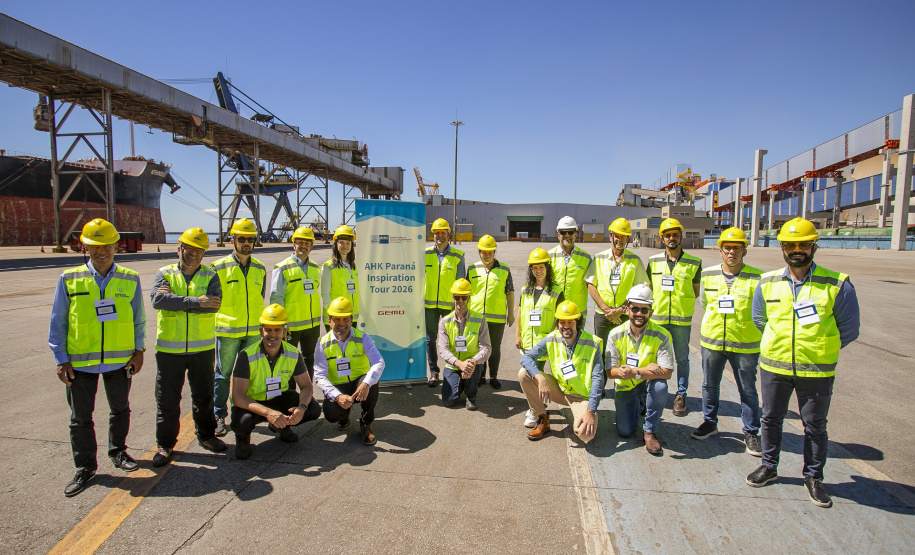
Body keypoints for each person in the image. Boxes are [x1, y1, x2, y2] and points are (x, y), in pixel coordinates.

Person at [746, 218, 860, 509]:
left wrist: (817, 349)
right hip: (775, 367)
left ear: (814, 245)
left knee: (815, 426)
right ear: (782, 248)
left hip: (817, 370)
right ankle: (770, 467)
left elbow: (849, 329)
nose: (797, 250)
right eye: (790, 245)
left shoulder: (837, 284)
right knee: (771, 419)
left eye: (803, 244)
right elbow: (760, 319)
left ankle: (813, 477)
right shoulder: (767, 282)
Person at [49, 219, 146, 497]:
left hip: (120, 360)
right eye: (94, 246)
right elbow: (58, 322)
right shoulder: (69, 279)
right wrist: (60, 358)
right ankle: (85, 467)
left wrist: (139, 351)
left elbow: (139, 319)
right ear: (84, 247)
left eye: (106, 245)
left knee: (120, 410)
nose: (101, 251)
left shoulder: (129, 278)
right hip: (80, 363)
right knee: (80, 418)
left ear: (117, 245)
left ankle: (118, 452)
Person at [150, 227, 226, 467]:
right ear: (179, 248)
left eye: (199, 250)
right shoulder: (164, 273)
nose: (193, 254)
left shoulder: (210, 276)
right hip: (169, 350)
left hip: (202, 349)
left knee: (203, 396)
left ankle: (207, 435)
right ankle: (165, 444)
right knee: (167, 400)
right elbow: (158, 300)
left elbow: (214, 305)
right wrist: (196, 302)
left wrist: (177, 302)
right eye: (189, 249)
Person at [692, 228, 762, 456]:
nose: (732, 252)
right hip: (712, 342)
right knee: (710, 385)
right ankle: (710, 422)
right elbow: (704, 302)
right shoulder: (708, 275)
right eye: (728, 248)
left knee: (748, 389)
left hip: (745, 344)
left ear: (744, 251)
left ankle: (751, 431)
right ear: (720, 251)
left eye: (737, 248)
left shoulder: (757, 278)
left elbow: (761, 313)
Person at [230, 304, 321, 460]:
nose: (272, 334)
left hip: (278, 398)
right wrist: (268, 413)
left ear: (284, 331)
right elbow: (238, 397)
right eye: (268, 330)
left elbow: (306, 386)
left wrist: (301, 408)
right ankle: (243, 440)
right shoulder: (247, 355)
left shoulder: (293, 353)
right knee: (242, 420)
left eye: (277, 330)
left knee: (313, 408)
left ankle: (280, 425)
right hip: (253, 403)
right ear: (261, 331)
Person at [211, 218, 266, 437]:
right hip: (227, 332)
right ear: (232, 239)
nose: (246, 243)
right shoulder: (218, 267)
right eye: (241, 239)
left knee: (250, 375)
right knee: (223, 375)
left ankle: (245, 413)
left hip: (253, 332)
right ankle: (218, 415)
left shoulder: (260, 269)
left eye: (250, 239)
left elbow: (260, 298)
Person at [518, 301, 604, 443]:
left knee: (586, 436)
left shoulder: (592, 343)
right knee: (524, 374)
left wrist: (590, 411)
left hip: (581, 397)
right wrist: (540, 377)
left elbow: (597, 379)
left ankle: (582, 415)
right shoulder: (552, 338)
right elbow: (527, 357)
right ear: (557, 323)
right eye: (562, 322)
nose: (566, 326)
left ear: (578, 322)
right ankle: (542, 417)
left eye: (570, 322)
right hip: (560, 390)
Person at [607, 285, 676, 455]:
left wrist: (636, 372)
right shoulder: (615, 334)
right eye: (635, 309)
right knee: (625, 431)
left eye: (644, 310)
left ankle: (649, 430)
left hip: (647, 382)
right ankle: (640, 403)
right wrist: (635, 372)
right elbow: (610, 371)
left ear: (651, 312)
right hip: (627, 384)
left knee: (660, 386)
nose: (639, 313)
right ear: (627, 310)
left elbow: (666, 372)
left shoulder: (662, 335)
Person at [647, 217, 701, 417]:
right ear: (662, 238)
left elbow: (695, 291)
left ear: (681, 237)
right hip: (658, 320)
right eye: (668, 235)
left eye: (675, 235)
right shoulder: (653, 262)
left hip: (681, 320)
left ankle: (681, 394)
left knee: (682, 359)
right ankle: (650, 392)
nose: (672, 238)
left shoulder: (694, 263)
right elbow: (649, 288)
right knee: (654, 358)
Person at [314, 297, 386, 445]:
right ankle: (343, 416)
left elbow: (379, 362)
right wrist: (337, 396)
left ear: (351, 320)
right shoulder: (322, 343)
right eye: (337, 320)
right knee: (331, 414)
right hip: (338, 386)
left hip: (358, 382)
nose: (341, 324)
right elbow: (320, 376)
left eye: (345, 319)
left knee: (372, 383)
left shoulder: (362, 338)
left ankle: (366, 423)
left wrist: (366, 383)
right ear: (329, 321)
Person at [515, 248, 563, 428]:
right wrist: (517, 334)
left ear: (547, 268)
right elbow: (520, 312)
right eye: (534, 268)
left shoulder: (556, 292)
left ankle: (536, 411)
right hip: (527, 342)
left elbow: (560, 320)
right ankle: (535, 408)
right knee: (530, 376)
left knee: (532, 376)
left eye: (541, 267)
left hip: (544, 343)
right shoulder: (525, 290)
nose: (538, 271)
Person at [586, 217, 648, 355]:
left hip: (625, 315)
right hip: (603, 316)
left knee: (624, 352)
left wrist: (621, 309)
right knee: (601, 354)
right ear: (611, 237)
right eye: (617, 236)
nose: (619, 239)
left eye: (623, 237)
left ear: (628, 239)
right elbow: (591, 285)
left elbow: (642, 289)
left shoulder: (635, 260)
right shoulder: (598, 258)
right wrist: (606, 309)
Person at [271, 226, 322, 379]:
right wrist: (282, 325)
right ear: (294, 245)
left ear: (311, 246)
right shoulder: (282, 268)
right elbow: (276, 298)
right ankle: (291, 394)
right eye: (300, 243)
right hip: (291, 326)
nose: (303, 246)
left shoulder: (314, 267)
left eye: (307, 243)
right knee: (288, 360)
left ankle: (307, 393)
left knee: (309, 359)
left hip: (312, 325)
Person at [467, 235, 513, 389]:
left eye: (490, 252)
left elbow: (510, 292)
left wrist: (510, 314)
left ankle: (493, 376)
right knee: (478, 348)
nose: (487, 255)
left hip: (497, 318)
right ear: (479, 252)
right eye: (484, 252)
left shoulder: (504, 269)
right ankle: (480, 375)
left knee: (494, 348)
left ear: (494, 252)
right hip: (476, 317)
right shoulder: (472, 269)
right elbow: (466, 292)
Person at [437, 279, 491, 409]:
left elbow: (486, 348)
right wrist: (459, 363)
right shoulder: (445, 321)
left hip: (472, 365)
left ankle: (471, 395)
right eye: (457, 297)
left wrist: (472, 361)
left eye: (464, 297)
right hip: (453, 365)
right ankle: (460, 384)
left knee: (474, 368)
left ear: (469, 298)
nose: (460, 300)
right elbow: (443, 350)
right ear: (452, 297)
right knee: (449, 402)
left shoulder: (480, 319)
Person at [423, 218, 465, 387]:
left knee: (452, 338)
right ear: (432, 235)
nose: (439, 236)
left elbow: (461, 282)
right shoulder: (425, 254)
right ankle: (433, 371)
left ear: (449, 234)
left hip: (450, 305)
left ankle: (454, 369)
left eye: (442, 233)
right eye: (436, 233)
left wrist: (459, 305)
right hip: (430, 305)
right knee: (430, 339)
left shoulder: (457, 256)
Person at [548, 216, 592, 322]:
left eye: (570, 232)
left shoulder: (586, 258)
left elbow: (592, 285)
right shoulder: (549, 256)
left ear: (576, 234)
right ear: (558, 235)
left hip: (577, 312)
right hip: (554, 311)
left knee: (578, 339)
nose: (567, 235)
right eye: (563, 232)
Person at [321, 225, 359, 325]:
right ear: (335, 244)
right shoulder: (329, 266)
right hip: (336, 318)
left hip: (351, 316)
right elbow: (325, 293)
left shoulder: (353, 266)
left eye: (348, 243)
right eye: (341, 243)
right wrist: (333, 315)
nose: (345, 246)